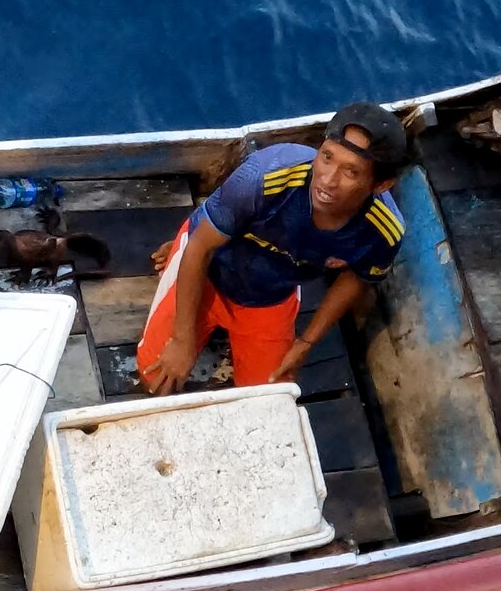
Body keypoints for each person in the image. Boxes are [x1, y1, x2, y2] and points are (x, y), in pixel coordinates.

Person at [138, 102, 408, 396]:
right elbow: (201, 248)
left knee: (269, 398)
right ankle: (179, 245)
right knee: (155, 379)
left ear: (381, 185)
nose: (328, 180)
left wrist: (306, 342)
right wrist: (181, 340)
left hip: (270, 294)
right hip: (210, 269)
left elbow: (359, 276)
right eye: (327, 157)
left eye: (351, 172)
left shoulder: (384, 232)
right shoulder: (263, 176)